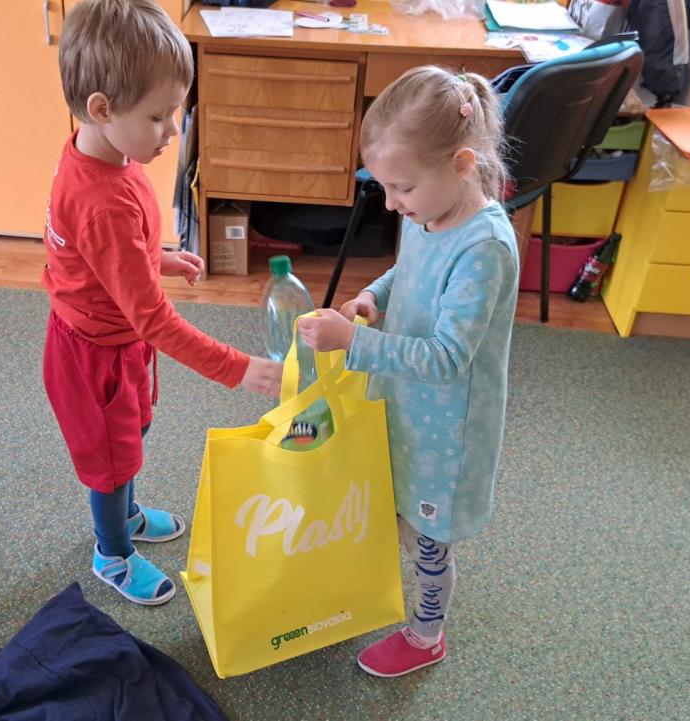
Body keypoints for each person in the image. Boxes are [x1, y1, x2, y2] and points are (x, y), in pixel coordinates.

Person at [43, 0, 282, 606]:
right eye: (158, 116)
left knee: (133, 433)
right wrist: (237, 368)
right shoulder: (102, 200)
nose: (173, 130)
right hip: (94, 356)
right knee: (111, 461)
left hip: (116, 341)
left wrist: (155, 259)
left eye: (174, 112)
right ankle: (112, 552)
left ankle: (125, 515)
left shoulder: (108, 154)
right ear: (102, 108)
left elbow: (103, 259)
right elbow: (152, 317)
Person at [298, 67, 519, 677]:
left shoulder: (484, 248)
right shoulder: (429, 212)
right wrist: (375, 295)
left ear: (461, 164)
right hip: (406, 408)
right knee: (393, 511)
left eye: (402, 188)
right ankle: (383, 595)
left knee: (428, 540)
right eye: (385, 187)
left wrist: (355, 343)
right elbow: (409, 269)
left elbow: (447, 358)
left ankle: (426, 637)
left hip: (448, 431)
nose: (392, 203)